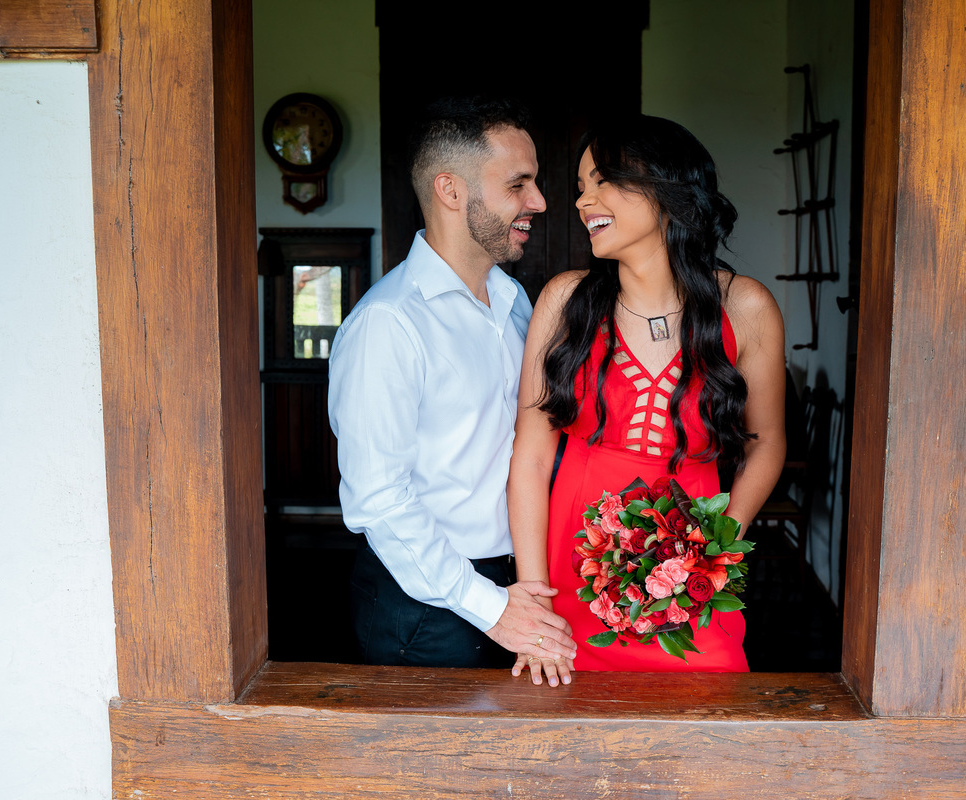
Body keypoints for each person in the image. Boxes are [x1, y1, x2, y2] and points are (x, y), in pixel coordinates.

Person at [507, 114, 787, 685]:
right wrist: (536, 604)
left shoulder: (746, 308)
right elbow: (532, 458)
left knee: (707, 707)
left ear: (667, 191)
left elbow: (766, 446)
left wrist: (709, 555)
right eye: (582, 187)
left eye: (603, 180)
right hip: (574, 568)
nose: (584, 201)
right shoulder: (565, 301)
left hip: (695, 572)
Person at [328, 97, 578, 669]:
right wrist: (489, 607)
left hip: (517, 582)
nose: (538, 202)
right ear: (451, 190)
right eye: (519, 184)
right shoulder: (387, 325)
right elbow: (380, 500)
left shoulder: (516, 303)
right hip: (426, 606)